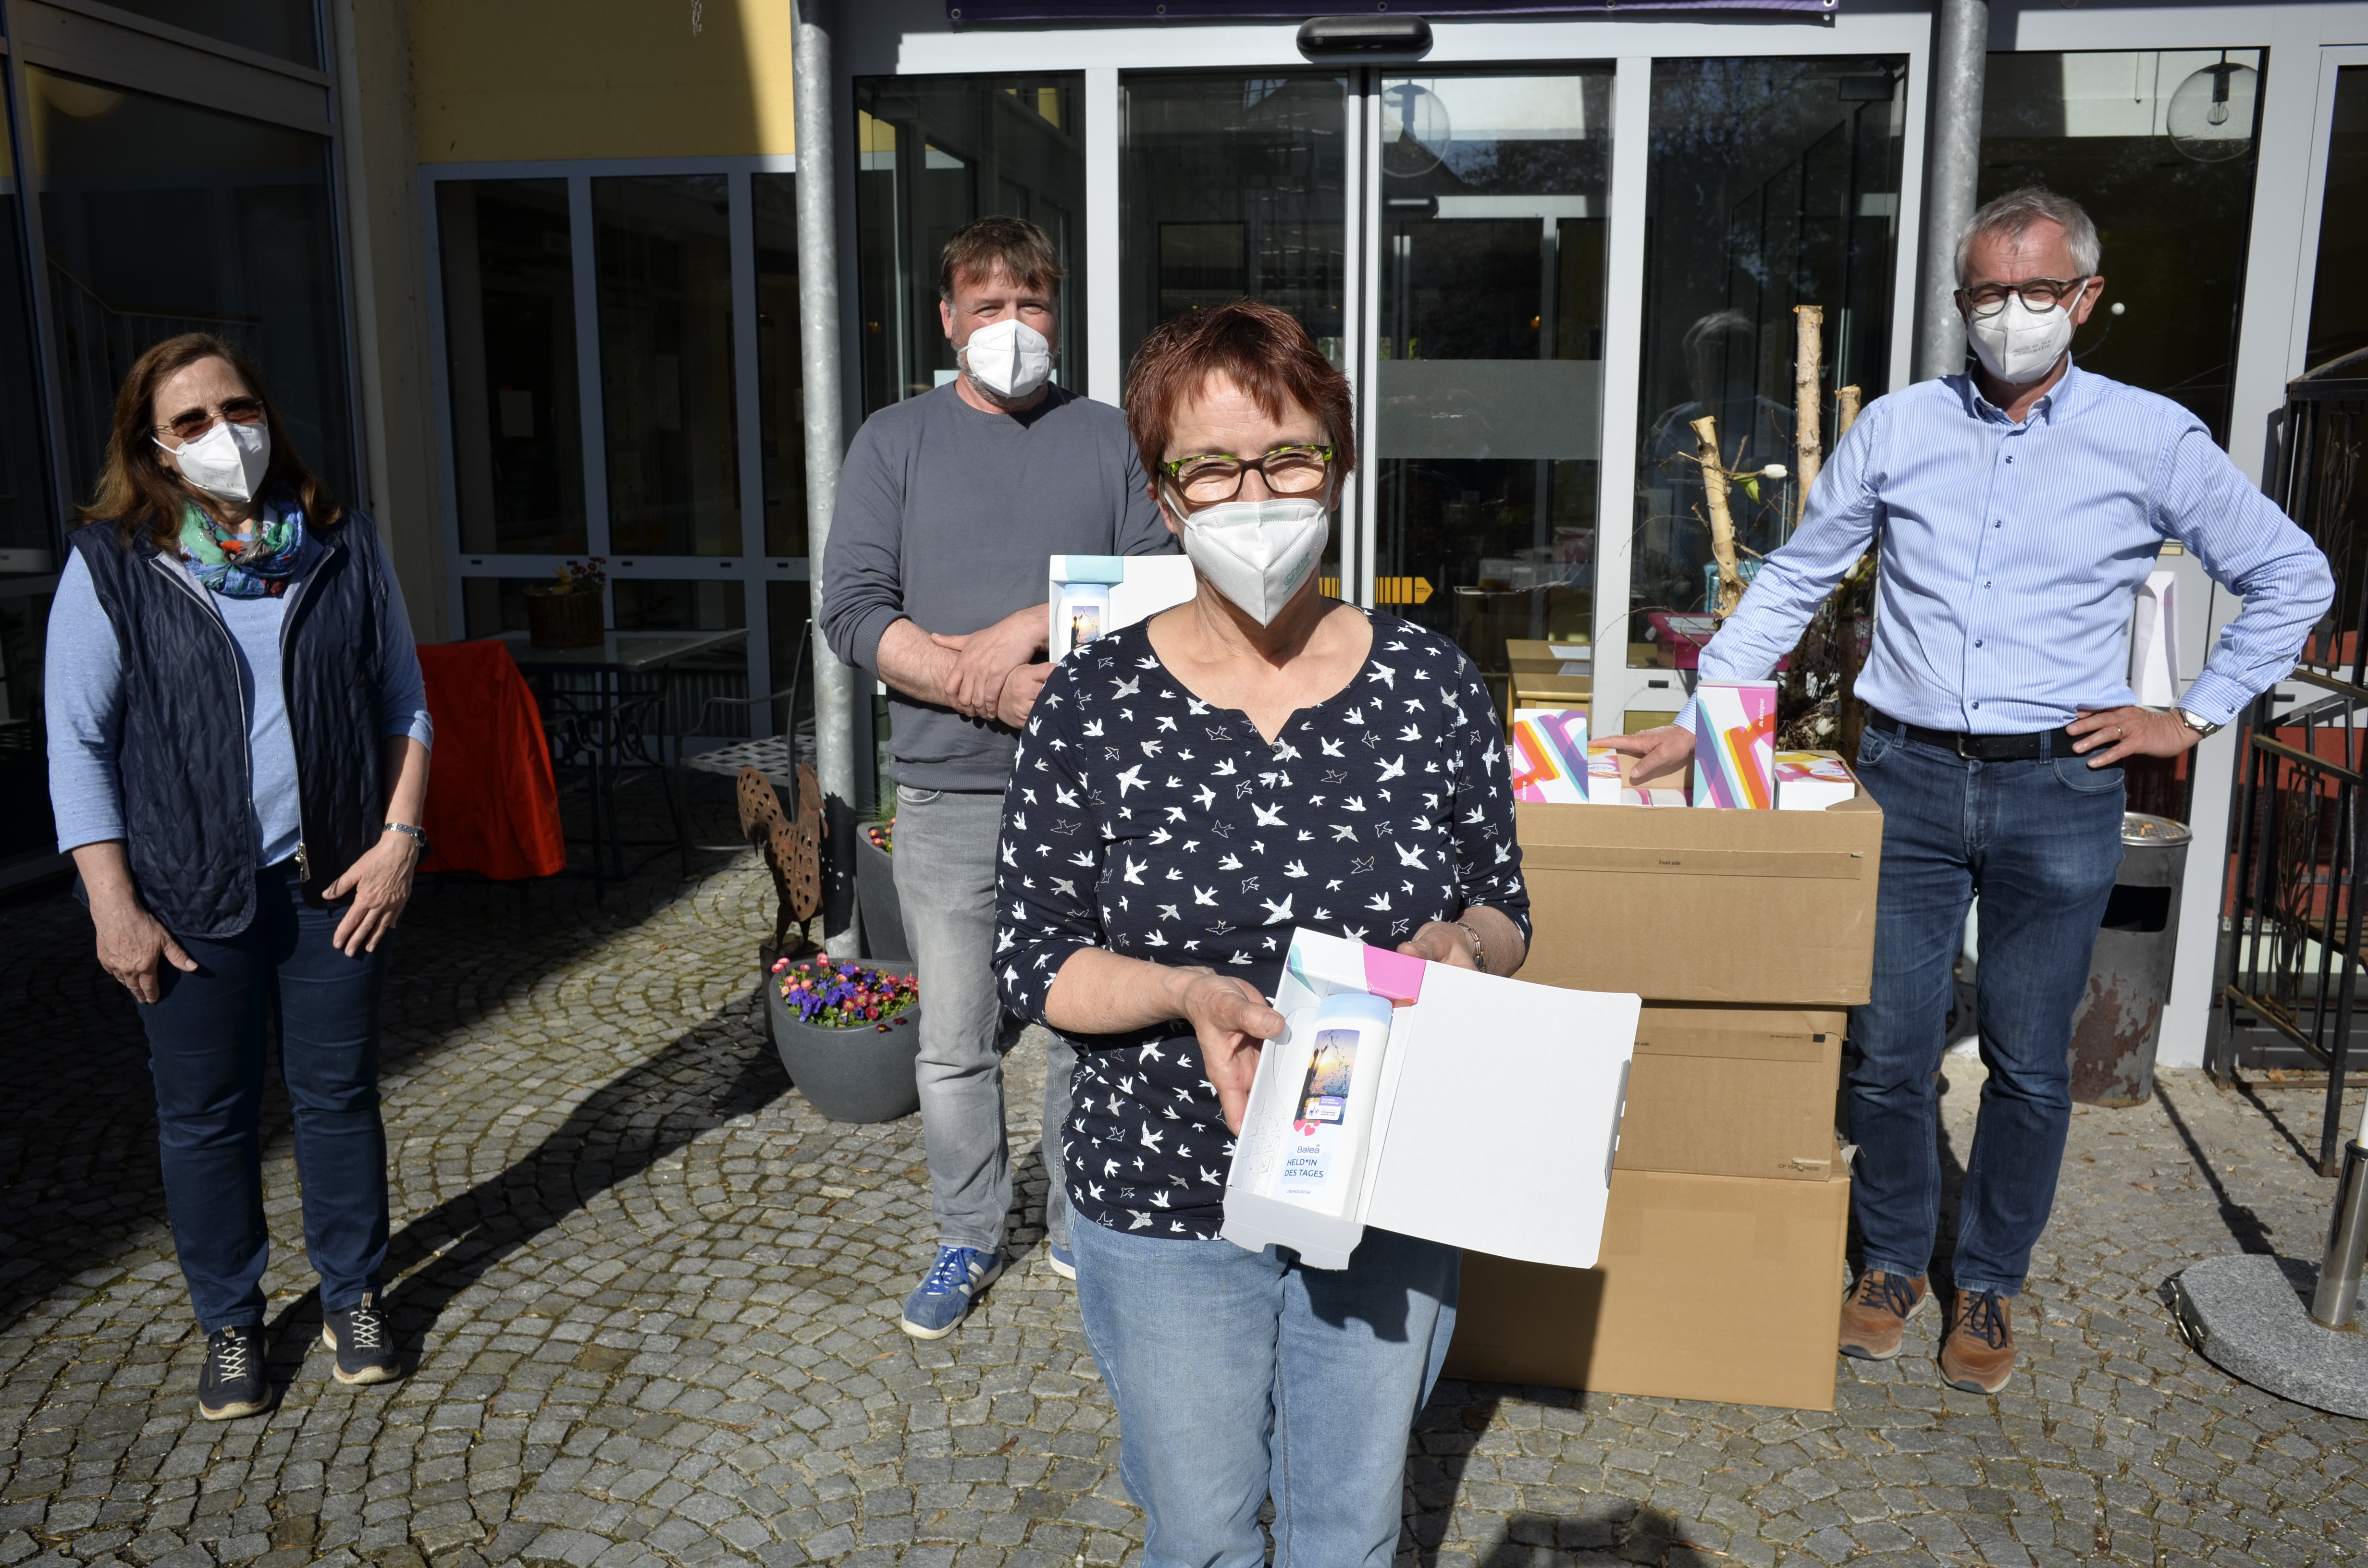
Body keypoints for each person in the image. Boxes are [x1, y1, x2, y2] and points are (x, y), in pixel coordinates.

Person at [1603, 188, 2333, 1395]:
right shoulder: (1897, 428)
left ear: (2086, 299)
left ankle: (1988, 1280)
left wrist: (2189, 712)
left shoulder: (2151, 439)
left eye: (2038, 292)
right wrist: (1707, 719)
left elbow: (2289, 574)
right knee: (1890, 1053)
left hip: (2061, 784)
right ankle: (1890, 1262)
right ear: (1959, 303)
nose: (2012, 315)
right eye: (1988, 294)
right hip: (1905, 781)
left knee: (2029, 1060)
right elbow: (1792, 578)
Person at [994, 299, 1530, 1563]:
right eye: (1211, 467)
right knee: (1201, 1533)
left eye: (1288, 457)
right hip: (1167, 1191)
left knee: (1347, 1529)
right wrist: (1187, 993)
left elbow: (1505, 906)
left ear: (1338, 465)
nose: (1255, 494)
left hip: (1388, 1179)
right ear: (1163, 496)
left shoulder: (1430, 684)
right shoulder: (1095, 702)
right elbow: (1033, 956)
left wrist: (1463, 950)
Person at [45, 332, 434, 1420]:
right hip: (184, 897)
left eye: (240, 408)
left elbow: (405, 699)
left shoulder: (338, 543)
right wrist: (113, 907)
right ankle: (230, 1320)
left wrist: (400, 841)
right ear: (156, 451)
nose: (227, 435)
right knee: (206, 1118)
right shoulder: (115, 564)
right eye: (193, 422)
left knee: (337, 1098)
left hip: (333, 885)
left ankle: (354, 1294)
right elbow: (76, 744)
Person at [822, 216, 1172, 1337]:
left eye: (1031, 306)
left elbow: (1158, 587)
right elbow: (853, 610)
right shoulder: (894, 440)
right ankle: (967, 1235)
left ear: (1056, 316)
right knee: (955, 1043)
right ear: (947, 320)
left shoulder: (1109, 437)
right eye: (988, 308)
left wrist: (1026, 630)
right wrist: (983, 688)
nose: (1010, 329)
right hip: (945, 793)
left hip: (1092, 792)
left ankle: (1080, 1226)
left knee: (1088, 1025)